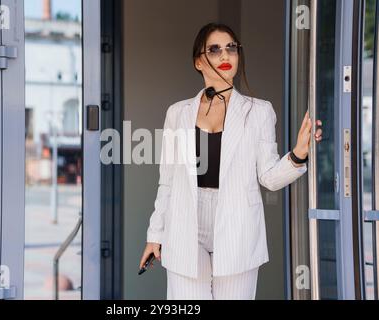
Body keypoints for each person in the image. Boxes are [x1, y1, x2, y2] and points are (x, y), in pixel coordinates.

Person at [138, 22, 324, 300]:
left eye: (231, 49)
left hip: (238, 224)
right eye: (214, 50)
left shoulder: (259, 112)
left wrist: (298, 154)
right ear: (199, 62)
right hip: (185, 222)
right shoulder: (177, 113)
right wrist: (155, 234)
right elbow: (167, 181)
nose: (225, 56)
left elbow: (269, 178)